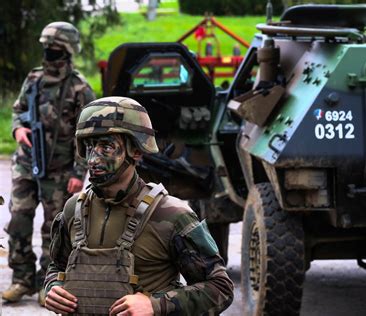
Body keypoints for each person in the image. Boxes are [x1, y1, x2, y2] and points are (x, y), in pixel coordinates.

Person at [43, 97, 234, 315]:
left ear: (136, 150)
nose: (93, 159)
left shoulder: (172, 215)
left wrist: (156, 305)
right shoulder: (73, 210)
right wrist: (53, 287)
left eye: (106, 146)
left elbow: (220, 288)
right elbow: (57, 267)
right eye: (89, 146)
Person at [3, 21, 95, 305]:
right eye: (47, 48)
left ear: (67, 50)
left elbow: (88, 135)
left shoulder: (80, 88)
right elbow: (18, 112)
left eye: (55, 49)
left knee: (54, 228)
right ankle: (22, 280)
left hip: (60, 169)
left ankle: (49, 283)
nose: (50, 53)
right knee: (18, 219)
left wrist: (80, 172)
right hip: (25, 163)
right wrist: (18, 129)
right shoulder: (33, 79)